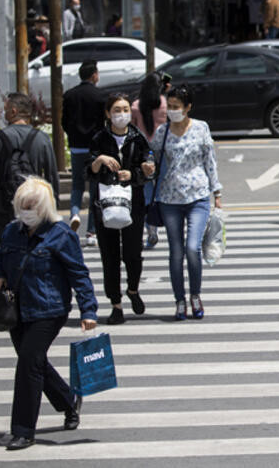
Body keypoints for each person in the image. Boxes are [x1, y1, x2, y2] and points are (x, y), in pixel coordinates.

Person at [0, 177, 98, 451]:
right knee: (34, 363)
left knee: (28, 363)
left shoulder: (61, 234)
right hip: (18, 310)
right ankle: (68, 401)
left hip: (49, 309)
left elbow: (79, 274)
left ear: (44, 206)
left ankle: (23, 431)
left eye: (31, 205)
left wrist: (88, 310)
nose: (26, 210)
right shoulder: (13, 231)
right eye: (22, 205)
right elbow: (0, 257)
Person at [152, 85, 222, 320]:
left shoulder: (201, 128)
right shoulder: (162, 132)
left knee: (193, 248)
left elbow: (209, 160)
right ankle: (179, 299)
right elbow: (152, 160)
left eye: (176, 107)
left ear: (188, 107)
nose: (172, 111)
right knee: (175, 252)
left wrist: (217, 192)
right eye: (169, 107)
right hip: (169, 198)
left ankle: (195, 294)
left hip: (198, 196)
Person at [87, 93, 154, 324]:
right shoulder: (99, 138)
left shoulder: (138, 138)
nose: (121, 114)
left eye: (125, 109)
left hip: (132, 204)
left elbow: (148, 169)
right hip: (104, 204)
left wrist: (135, 173)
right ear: (108, 113)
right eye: (116, 110)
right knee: (110, 256)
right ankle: (115, 304)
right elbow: (90, 170)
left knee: (133, 253)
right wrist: (101, 160)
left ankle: (133, 290)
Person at [0, 93, 59, 245]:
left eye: (6, 109)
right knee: (35, 249)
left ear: (14, 111)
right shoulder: (42, 138)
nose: (4, 113)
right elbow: (51, 175)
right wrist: (52, 205)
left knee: (9, 251)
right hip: (35, 204)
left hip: (5, 205)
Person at [62, 60, 107, 247]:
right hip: (94, 148)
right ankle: (91, 232)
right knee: (95, 188)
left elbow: (64, 121)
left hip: (76, 146)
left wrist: (73, 135)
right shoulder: (99, 96)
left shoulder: (70, 95)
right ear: (93, 75)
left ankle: (74, 213)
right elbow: (102, 123)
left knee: (77, 185)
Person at [131, 71, 169, 249]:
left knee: (147, 194)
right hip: (162, 151)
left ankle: (151, 229)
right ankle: (165, 224)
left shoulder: (136, 106)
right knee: (160, 193)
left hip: (143, 154)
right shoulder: (163, 103)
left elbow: (131, 129)